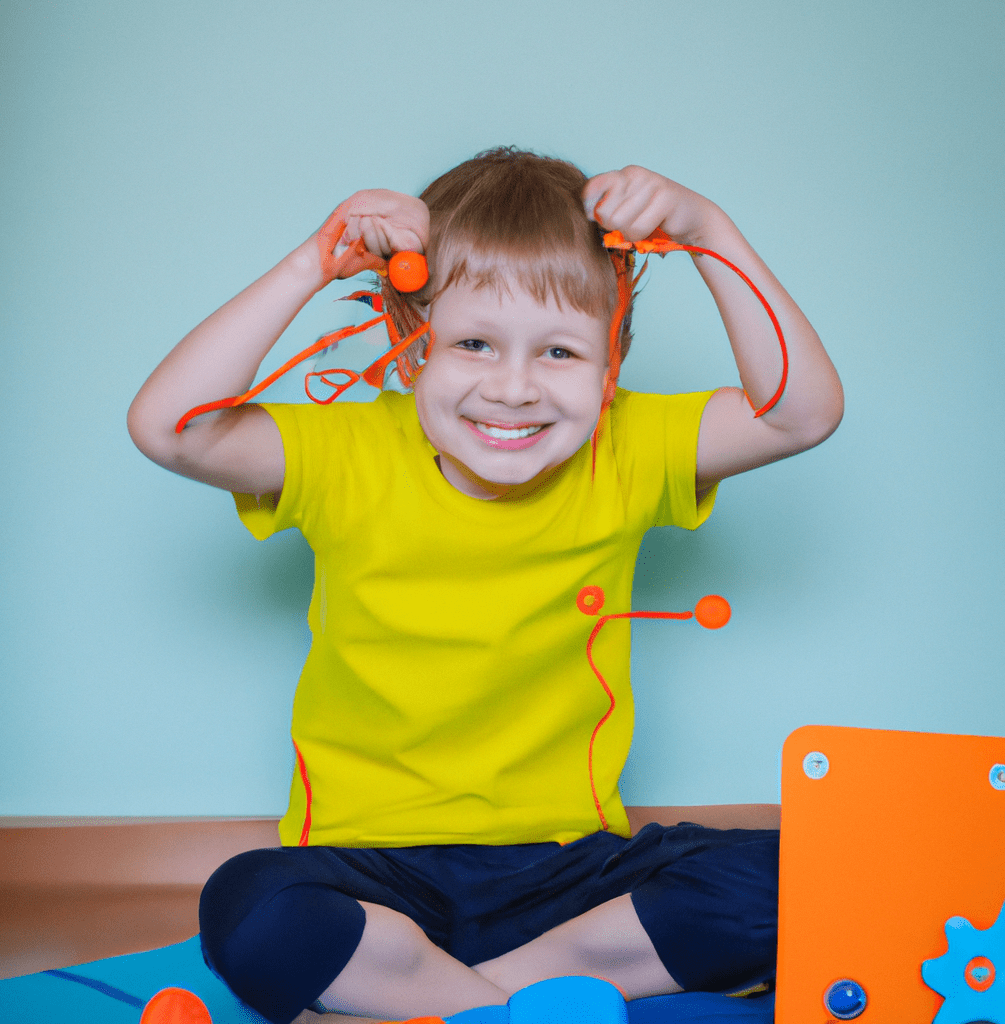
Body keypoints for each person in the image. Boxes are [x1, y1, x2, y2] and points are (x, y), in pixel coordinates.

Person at [128, 147, 842, 1024]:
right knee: (248, 901)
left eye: (559, 351)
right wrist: (310, 265)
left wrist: (707, 231)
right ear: (406, 336)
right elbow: (170, 428)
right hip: (371, 871)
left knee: (820, 870)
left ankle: (460, 998)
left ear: (611, 359)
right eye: (472, 342)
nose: (513, 389)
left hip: (569, 872)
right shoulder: (341, 451)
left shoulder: (627, 445)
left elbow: (799, 412)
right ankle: (517, 1000)